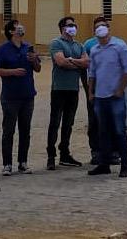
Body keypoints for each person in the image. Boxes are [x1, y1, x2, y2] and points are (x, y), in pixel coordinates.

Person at [0, 19, 41, 176]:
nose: (21, 28)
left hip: (27, 95)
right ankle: (7, 163)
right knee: (8, 130)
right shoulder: (3, 49)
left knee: (25, 130)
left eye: (22, 25)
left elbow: (38, 68)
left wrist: (34, 60)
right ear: (11, 32)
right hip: (10, 96)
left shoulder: (28, 47)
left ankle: (23, 162)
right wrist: (12, 72)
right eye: (17, 27)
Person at [87, 19, 127, 179]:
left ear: (108, 30)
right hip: (100, 96)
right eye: (97, 29)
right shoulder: (94, 50)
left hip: (115, 97)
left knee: (119, 131)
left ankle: (125, 164)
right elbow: (92, 72)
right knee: (103, 132)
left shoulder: (120, 46)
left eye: (103, 28)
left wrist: (120, 89)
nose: (101, 32)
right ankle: (104, 164)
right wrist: (90, 92)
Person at [46, 16, 88, 170]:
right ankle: (51, 155)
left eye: (74, 25)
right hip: (59, 89)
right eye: (70, 25)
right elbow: (61, 62)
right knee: (55, 122)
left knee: (68, 123)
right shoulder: (56, 43)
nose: (73, 27)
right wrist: (77, 63)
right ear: (63, 28)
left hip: (73, 89)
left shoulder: (79, 45)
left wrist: (72, 61)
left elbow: (86, 63)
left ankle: (65, 152)